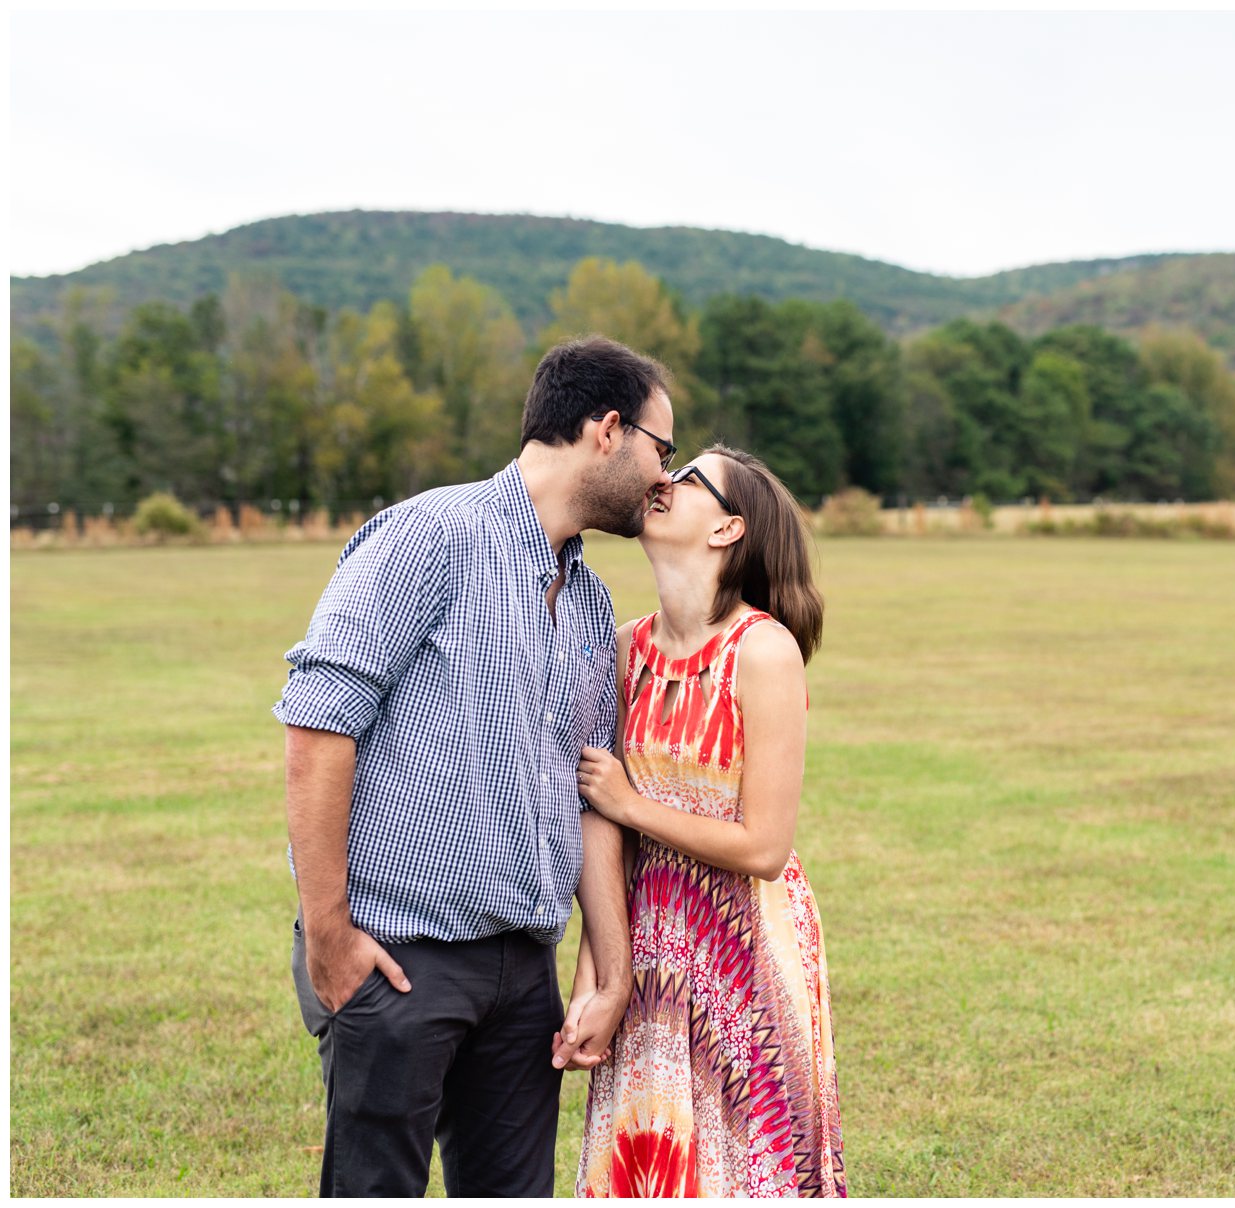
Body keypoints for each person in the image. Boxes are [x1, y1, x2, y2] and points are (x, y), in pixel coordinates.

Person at [274, 335, 676, 1197]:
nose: (664, 478)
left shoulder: (592, 597)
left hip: (523, 976)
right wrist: (332, 936)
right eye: (661, 449)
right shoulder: (431, 536)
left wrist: (612, 973)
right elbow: (316, 725)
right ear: (608, 430)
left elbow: (592, 795)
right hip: (399, 959)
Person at [567, 446, 847, 1197]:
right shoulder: (624, 649)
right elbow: (606, 841)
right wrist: (592, 982)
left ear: (728, 529)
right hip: (650, 946)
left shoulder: (763, 652)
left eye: (686, 478)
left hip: (745, 948)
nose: (661, 481)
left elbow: (763, 846)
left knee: (748, 1171)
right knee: (651, 1160)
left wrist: (632, 803)